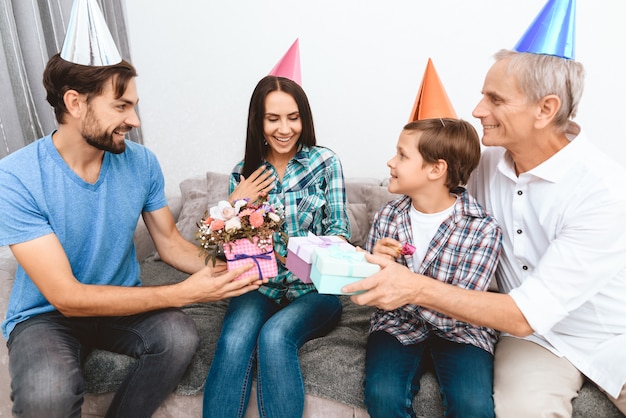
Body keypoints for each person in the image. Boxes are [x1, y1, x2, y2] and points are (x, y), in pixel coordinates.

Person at [344, 49, 626, 416]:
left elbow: (527, 312)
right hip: (533, 340)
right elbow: (429, 181)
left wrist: (413, 286)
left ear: (545, 109)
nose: (477, 110)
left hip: (612, 334)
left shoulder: (604, 190)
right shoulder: (482, 165)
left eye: (495, 99)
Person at [0, 54, 264, 418]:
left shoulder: (141, 163)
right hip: (46, 315)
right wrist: (184, 293)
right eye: (121, 106)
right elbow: (67, 297)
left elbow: (170, 243)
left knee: (179, 337)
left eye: (134, 106)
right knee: (47, 394)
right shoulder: (16, 177)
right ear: (75, 103)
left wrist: (232, 271)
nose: (134, 121)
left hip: (122, 303)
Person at [202, 75, 351, 418]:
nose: (284, 129)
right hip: (259, 288)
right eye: (273, 119)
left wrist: (306, 256)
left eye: (293, 117)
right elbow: (228, 252)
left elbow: (340, 231)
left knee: (275, 336)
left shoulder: (325, 163)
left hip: (315, 290)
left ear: (304, 119)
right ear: (259, 122)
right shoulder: (243, 174)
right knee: (235, 340)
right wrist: (235, 204)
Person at [363, 118, 501, 418]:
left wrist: (403, 287)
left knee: (473, 407)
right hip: (397, 326)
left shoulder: (483, 228)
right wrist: (374, 264)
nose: (391, 161)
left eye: (402, 155)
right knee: (381, 395)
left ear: (436, 169)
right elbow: (369, 291)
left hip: (462, 331)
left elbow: (462, 306)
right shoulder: (388, 216)